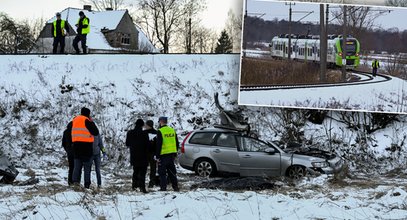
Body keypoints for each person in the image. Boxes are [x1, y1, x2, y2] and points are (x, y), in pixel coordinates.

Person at [71, 107, 99, 188]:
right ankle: (87, 184)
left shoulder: (75, 119)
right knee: (87, 167)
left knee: (77, 167)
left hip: (76, 146)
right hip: (86, 147)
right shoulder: (87, 120)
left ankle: (75, 183)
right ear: (88, 114)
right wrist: (91, 121)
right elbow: (95, 132)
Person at [155, 116, 180, 192]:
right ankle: (175, 187)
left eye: (159, 121)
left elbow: (158, 144)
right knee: (172, 172)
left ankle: (163, 188)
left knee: (162, 173)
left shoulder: (160, 131)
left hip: (163, 155)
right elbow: (177, 142)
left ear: (161, 122)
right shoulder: (172, 130)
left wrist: (157, 156)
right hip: (171, 155)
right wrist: (175, 152)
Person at [126, 119, 149, 193]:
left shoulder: (130, 133)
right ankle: (142, 187)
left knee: (135, 171)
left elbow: (127, 144)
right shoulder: (145, 133)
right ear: (142, 125)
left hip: (134, 155)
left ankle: (134, 186)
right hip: (143, 155)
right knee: (142, 172)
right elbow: (147, 145)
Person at [144, 120, 158, 188]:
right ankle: (149, 183)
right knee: (151, 169)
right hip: (149, 153)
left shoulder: (144, 133)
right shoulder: (156, 132)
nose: (145, 126)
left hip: (150, 153)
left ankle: (150, 183)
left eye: (146, 125)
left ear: (148, 125)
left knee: (151, 169)